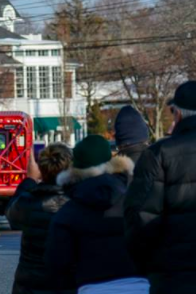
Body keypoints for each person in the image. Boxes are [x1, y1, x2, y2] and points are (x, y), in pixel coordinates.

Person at [46, 135, 149, 294]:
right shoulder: (138, 201)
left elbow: (57, 266)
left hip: (90, 286)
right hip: (139, 284)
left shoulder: (67, 213)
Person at [124, 80, 196, 294]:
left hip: (173, 275)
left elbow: (141, 219)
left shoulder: (159, 154)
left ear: (178, 114)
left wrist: (148, 266)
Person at [6, 144, 75, 294]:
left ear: (41, 170)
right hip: (66, 284)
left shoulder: (27, 202)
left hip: (29, 286)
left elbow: (11, 214)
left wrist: (29, 179)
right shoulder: (76, 202)